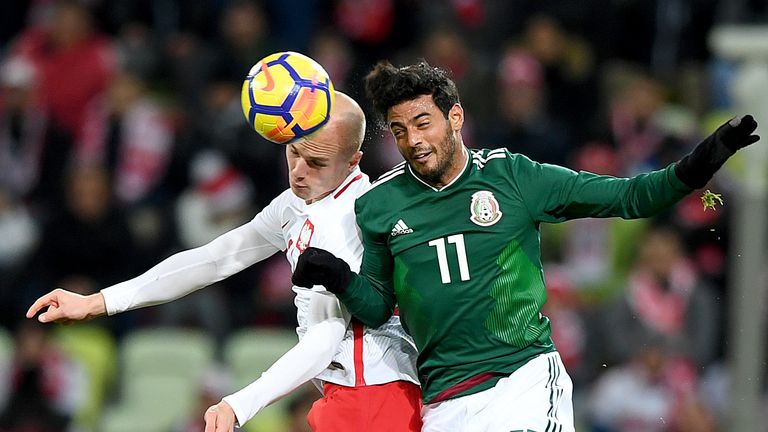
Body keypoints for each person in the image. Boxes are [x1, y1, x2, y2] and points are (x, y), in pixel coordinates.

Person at [290, 61, 760, 431]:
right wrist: (338, 278)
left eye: (423, 122)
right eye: (399, 130)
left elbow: (630, 197)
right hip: (445, 400)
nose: (413, 140)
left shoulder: (513, 177)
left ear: (456, 116)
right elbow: (376, 307)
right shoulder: (379, 205)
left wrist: (699, 166)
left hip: (523, 378)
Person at [26, 92, 422, 432]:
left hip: (375, 397)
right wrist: (98, 301)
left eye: (316, 163)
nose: (298, 173)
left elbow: (325, 336)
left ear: (354, 160)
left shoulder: (348, 220)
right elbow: (215, 259)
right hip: (352, 393)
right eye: (294, 152)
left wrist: (240, 403)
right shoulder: (298, 203)